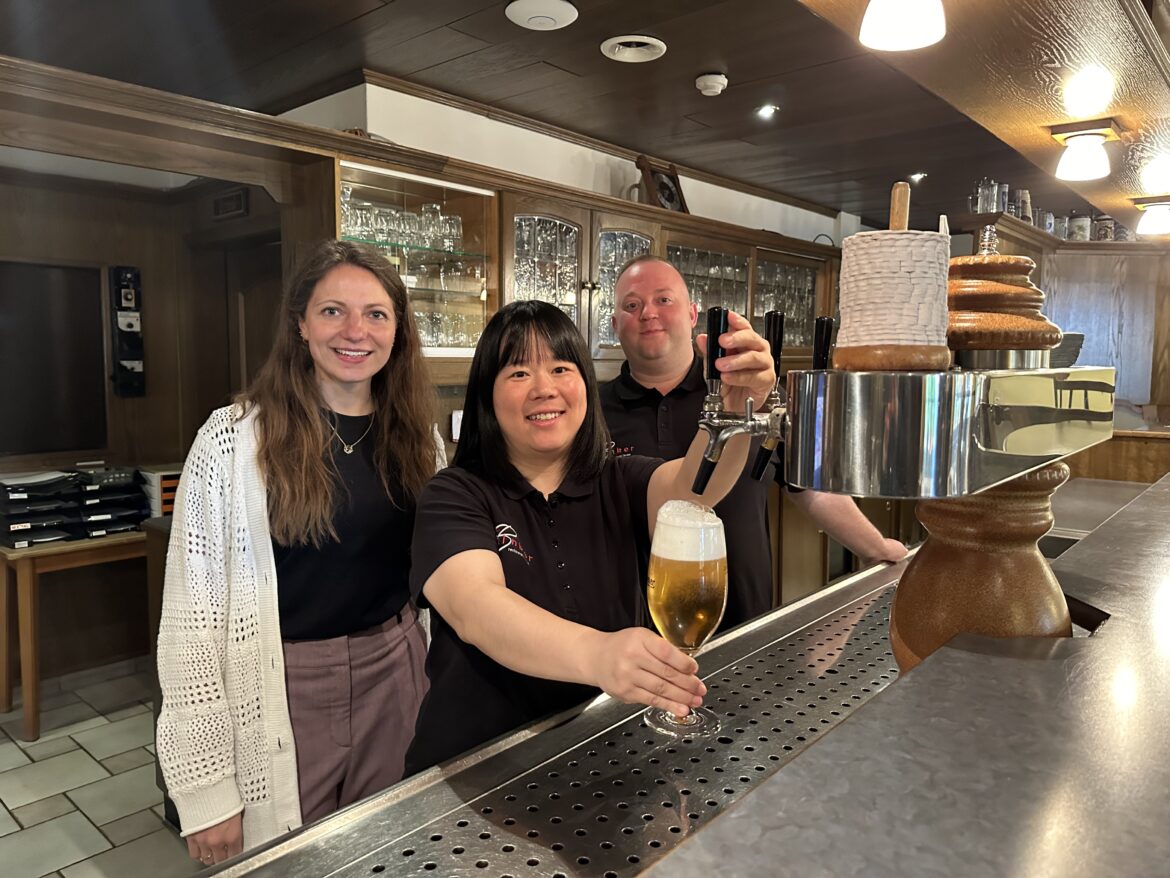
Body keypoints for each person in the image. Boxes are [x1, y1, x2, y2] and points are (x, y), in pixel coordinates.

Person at [156, 240, 442, 866]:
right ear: (301, 325)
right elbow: (191, 623)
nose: (355, 331)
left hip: (397, 673)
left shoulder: (420, 437)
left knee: (391, 853)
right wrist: (206, 791)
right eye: (333, 311)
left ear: (398, 329)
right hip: (281, 684)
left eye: (376, 314)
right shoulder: (231, 441)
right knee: (288, 863)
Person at [403, 299, 773, 773]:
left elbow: (694, 489)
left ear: (584, 385)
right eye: (518, 373)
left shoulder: (619, 480)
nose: (544, 389)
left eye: (561, 368)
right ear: (487, 396)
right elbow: (477, 608)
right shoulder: (454, 494)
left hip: (602, 753)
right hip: (478, 768)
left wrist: (735, 407)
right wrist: (597, 654)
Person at [601, 255, 907, 630]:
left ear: (693, 314)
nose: (648, 313)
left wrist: (875, 549)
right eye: (632, 305)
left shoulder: (750, 392)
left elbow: (808, 485)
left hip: (743, 626)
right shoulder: (589, 412)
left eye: (664, 300)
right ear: (615, 325)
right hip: (635, 639)